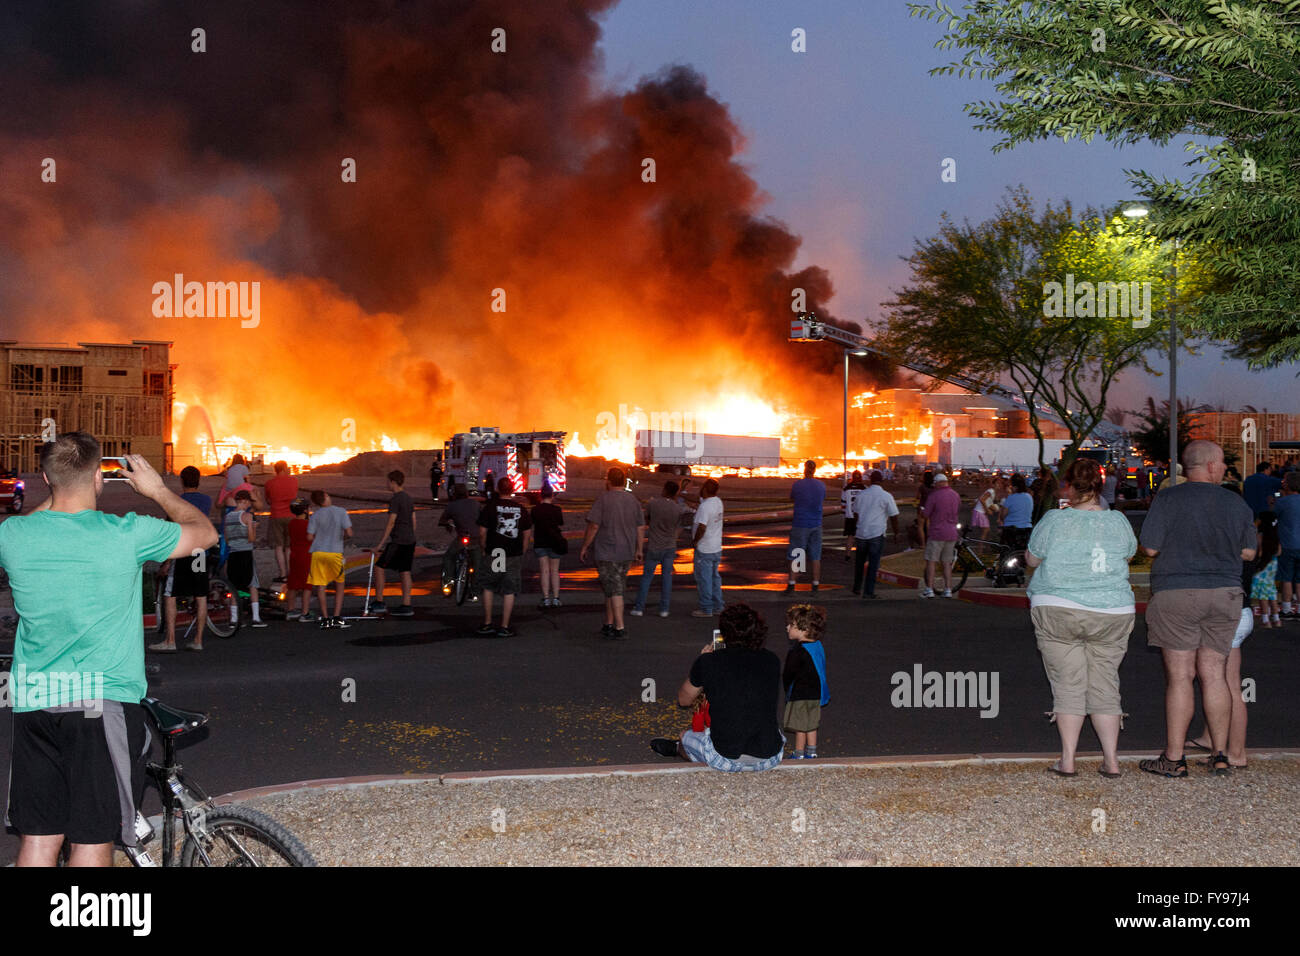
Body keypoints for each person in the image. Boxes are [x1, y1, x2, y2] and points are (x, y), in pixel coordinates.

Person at [0, 434, 216, 866]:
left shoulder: (12, 535)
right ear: (100, 477)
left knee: (40, 839)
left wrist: (57, 491)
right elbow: (204, 534)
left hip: (33, 703)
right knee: (93, 839)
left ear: (44, 479)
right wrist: (156, 490)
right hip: (100, 705)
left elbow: (47, 508)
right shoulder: (129, 532)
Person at [1138, 440, 1256, 778]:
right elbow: (1249, 553)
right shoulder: (1235, 503)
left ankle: (1174, 759)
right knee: (1215, 675)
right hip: (1225, 593)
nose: (1223, 469)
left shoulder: (1169, 499)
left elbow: (1149, 548)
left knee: (1180, 678)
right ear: (1207, 465)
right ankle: (1219, 755)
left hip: (1177, 592)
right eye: (1220, 463)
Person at [1024, 458, 1137, 777]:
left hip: (1058, 607)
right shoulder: (1118, 521)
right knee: (1104, 683)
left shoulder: (1054, 520)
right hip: (1112, 610)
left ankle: (1069, 759)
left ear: (1069, 487)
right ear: (1101, 487)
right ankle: (1111, 760)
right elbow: (1127, 554)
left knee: (1068, 684)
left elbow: (1032, 558)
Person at [648, 603, 784, 772]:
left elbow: (684, 700)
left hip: (726, 757)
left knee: (685, 736)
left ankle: (678, 748)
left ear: (724, 633)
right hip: (770, 756)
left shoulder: (710, 662)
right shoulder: (772, 660)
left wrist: (702, 663)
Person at [150, 465, 214, 652]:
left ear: (182, 481)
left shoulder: (177, 501)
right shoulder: (206, 500)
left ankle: (170, 640)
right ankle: (198, 640)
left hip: (184, 550)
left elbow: (172, 531)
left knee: (170, 594)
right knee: (200, 595)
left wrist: (167, 562)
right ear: (199, 480)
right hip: (200, 551)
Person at [579, 467, 644, 640]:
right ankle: (608, 623)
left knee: (615, 589)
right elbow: (640, 526)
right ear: (624, 481)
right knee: (612, 586)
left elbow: (593, 526)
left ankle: (619, 627)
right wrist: (639, 549)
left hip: (607, 552)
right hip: (627, 551)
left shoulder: (603, 499)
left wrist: (585, 546)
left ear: (608, 481)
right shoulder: (633, 500)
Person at [477, 476, 533, 637]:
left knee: (489, 585)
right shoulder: (521, 509)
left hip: (496, 553)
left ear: (497, 489)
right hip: (513, 554)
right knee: (509, 589)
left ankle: (487, 623)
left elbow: (482, 532)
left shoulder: (490, 507)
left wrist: (484, 548)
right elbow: (527, 534)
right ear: (513, 489)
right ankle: (504, 626)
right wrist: (522, 550)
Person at [632, 480, 686, 618]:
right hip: (669, 546)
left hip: (654, 546)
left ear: (664, 489)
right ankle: (664, 609)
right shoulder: (678, 508)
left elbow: (646, 520)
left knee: (647, 578)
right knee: (666, 578)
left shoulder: (653, 504)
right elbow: (680, 525)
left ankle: (639, 608)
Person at [783, 604, 829, 760]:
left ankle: (798, 753)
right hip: (815, 692)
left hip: (800, 693)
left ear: (803, 629)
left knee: (800, 726)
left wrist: (786, 687)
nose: (787, 628)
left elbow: (789, 673)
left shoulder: (797, 651)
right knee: (811, 724)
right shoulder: (817, 646)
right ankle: (812, 751)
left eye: (791, 625)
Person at [369, 470, 417, 617]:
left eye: (387, 481)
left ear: (393, 482)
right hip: (409, 540)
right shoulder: (408, 498)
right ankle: (406, 604)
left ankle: (379, 601)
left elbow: (391, 522)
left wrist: (380, 545)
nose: (386, 484)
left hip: (398, 540)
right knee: (405, 570)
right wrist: (411, 534)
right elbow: (414, 520)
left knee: (379, 567)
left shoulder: (396, 499)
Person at [307, 488, 354, 628]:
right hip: (334, 552)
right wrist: (342, 537)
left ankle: (325, 618)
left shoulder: (315, 515)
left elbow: (309, 536)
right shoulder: (340, 511)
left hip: (318, 552)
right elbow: (349, 533)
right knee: (339, 584)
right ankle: (337, 616)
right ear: (326, 497)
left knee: (321, 585)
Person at [852, 470, 899, 598]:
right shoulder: (886, 496)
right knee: (873, 564)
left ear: (871, 480)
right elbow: (894, 516)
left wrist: (858, 526)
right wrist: (896, 532)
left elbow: (855, 513)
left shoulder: (861, 495)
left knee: (859, 562)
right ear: (882, 481)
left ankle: (856, 587)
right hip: (876, 533)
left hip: (861, 533)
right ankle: (868, 591)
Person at [223, 489, 267, 627]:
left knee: (234, 587)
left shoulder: (228, 516)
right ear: (246, 501)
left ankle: (234, 620)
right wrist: (253, 527)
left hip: (233, 554)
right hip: (246, 553)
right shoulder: (247, 516)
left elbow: (227, 539)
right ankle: (256, 618)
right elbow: (251, 538)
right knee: (253, 585)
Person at [786, 460, 825, 592]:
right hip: (816, 523)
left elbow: (792, 498)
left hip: (800, 522)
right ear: (815, 470)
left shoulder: (798, 485)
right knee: (815, 555)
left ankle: (792, 583)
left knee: (798, 553)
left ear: (804, 469)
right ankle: (815, 584)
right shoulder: (821, 485)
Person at [920, 473, 961, 599]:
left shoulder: (934, 495)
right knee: (947, 563)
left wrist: (922, 510)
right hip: (951, 533)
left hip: (937, 533)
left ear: (938, 483)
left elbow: (926, 514)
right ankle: (948, 589)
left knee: (931, 561)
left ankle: (929, 589)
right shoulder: (956, 495)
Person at [690, 478, 725, 618]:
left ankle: (706, 608)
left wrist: (695, 541)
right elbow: (697, 500)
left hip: (704, 548)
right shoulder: (717, 502)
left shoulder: (704, 507)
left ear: (704, 489)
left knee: (704, 579)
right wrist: (682, 494)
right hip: (716, 547)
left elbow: (702, 527)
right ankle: (718, 606)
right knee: (715, 578)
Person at [439, 483, 482, 596]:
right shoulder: (476, 504)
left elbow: (442, 520)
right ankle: (475, 590)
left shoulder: (452, 506)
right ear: (466, 493)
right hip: (476, 538)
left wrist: (447, 524)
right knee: (478, 562)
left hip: (461, 537)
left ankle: (448, 582)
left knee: (449, 557)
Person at [530, 485, 567, 608]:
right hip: (555, 542)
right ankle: (556, 598)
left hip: (540, 542)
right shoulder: (557, 509)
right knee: (555, 571)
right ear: (552, 495)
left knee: (544, 570)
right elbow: (560, 523)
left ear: (541, 495)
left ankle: (546, 598)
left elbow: (532, 523)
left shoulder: (535, 510)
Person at [263, 460, 298, 584]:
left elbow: (268, 500)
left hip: (276, 515)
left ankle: (283, 574)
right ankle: (291, 573)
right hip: (291, 515)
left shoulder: (269, 483)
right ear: (284, 468)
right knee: (289, 546)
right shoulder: (294, 480)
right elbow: (295, 495)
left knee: (279, 546)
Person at [1273, 471, 1300, 620]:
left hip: (1287, 544)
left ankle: (1286, 609)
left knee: (1287, 578)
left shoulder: (1282, 502)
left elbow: (1272, 519)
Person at [1249, 512, 1281, 628]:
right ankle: (1277, 620)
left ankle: (1266, 620)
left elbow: (1260, 551)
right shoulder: (1275, 534)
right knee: (1271, 592)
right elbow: (1279, 552)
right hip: (1273, 564)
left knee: (1263, 594)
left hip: (1263, 565)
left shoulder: (1260, 534)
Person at [285, 498, 313, 621]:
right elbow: (311, 538)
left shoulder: (291, 523)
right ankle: (305, 612)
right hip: (306, 556)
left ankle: (291, 610)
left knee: (293, 584)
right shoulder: (308, 525)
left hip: (294, 556)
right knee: (307, 586)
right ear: (306, 510)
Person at [1000, 473, 1034, 550]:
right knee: (1021, 554)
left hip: (1011, 530)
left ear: (1015, 487)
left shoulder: (1011, 498)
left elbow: (1003, 515)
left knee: (1007, 554)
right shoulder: (1029, 497)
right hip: (1026, 529)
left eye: (1011, 486)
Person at [840, 470, 866, 561]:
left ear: (852, 478)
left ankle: (847, 555)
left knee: (850, 537)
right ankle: (861, 556)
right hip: (861, 516)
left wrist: (845, 512)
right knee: (861, 537)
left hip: (850, 516)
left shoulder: (846, 488)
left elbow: (843, 503)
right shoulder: (864, 488)